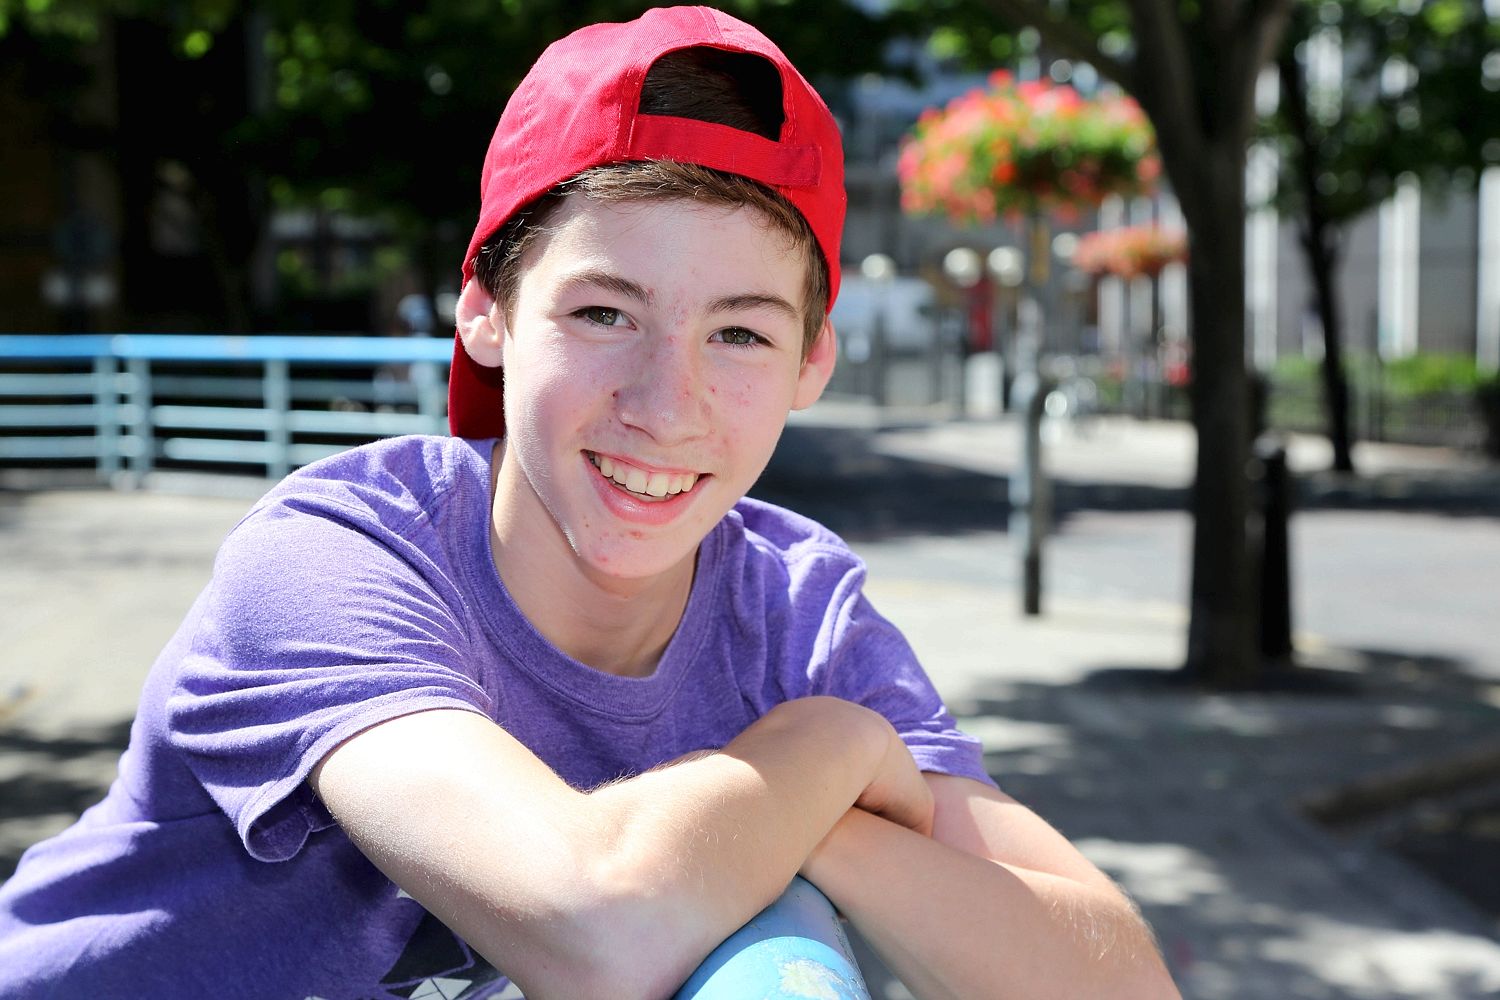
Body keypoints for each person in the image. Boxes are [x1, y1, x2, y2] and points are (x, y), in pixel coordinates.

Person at [0, 7, 1180, 998]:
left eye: (739, 333)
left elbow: (1121, 980)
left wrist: (784, 822)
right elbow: (596, 925)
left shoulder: (796, 610)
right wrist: (826, 748)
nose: (667, 406)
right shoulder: (341, 557)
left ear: (815, 362)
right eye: (604, 312)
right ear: (486, 313)